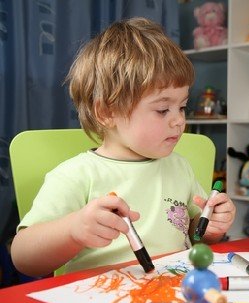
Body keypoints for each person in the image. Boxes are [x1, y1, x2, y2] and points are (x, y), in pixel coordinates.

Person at [11, 18, 236, 277]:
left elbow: (196, 235)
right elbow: (22, 257)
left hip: (172, 292)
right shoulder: (77, 174)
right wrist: (73, 229)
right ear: (107, 112)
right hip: (100, 299)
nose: (179, 120)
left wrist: (211, 226)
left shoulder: (179, 165)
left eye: (182, 106)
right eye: (163, 109)